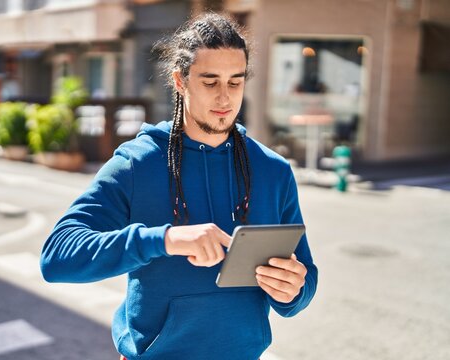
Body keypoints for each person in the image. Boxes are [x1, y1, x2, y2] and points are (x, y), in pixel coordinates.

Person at [40, 12, 317, 360]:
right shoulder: (137, 164)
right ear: (180, 81)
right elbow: (57, 257)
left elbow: (305, 280)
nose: (224, 98)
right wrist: (165, 239)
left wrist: (293, 289)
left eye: (235, 81)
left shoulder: (272, 171)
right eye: (210, 81)